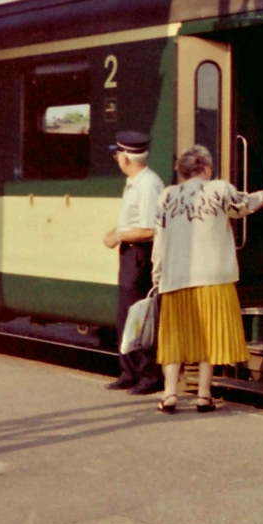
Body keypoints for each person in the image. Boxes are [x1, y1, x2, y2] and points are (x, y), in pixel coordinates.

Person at [151, 145, 263, 413]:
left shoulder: (166, 197)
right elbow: (244, 205)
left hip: (175, 279)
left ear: (182, 172)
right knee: (210, 336)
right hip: (213, 277)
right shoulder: (219, 189)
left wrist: (157, 275)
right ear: (206, 167)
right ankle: (204, 396)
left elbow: (159, 243)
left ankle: (170, 394)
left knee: (174, 339)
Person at [102, 130, 165, 395]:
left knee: (141, 315)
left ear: (126, 159)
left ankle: (148, 375)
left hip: (141, 254)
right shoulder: (136, 183)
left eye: (117, 155)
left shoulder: (148, 185)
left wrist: (118, 235)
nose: (116, 159)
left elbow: (151, 229)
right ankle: (129, 371)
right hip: (131, 254)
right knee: (127, 314)